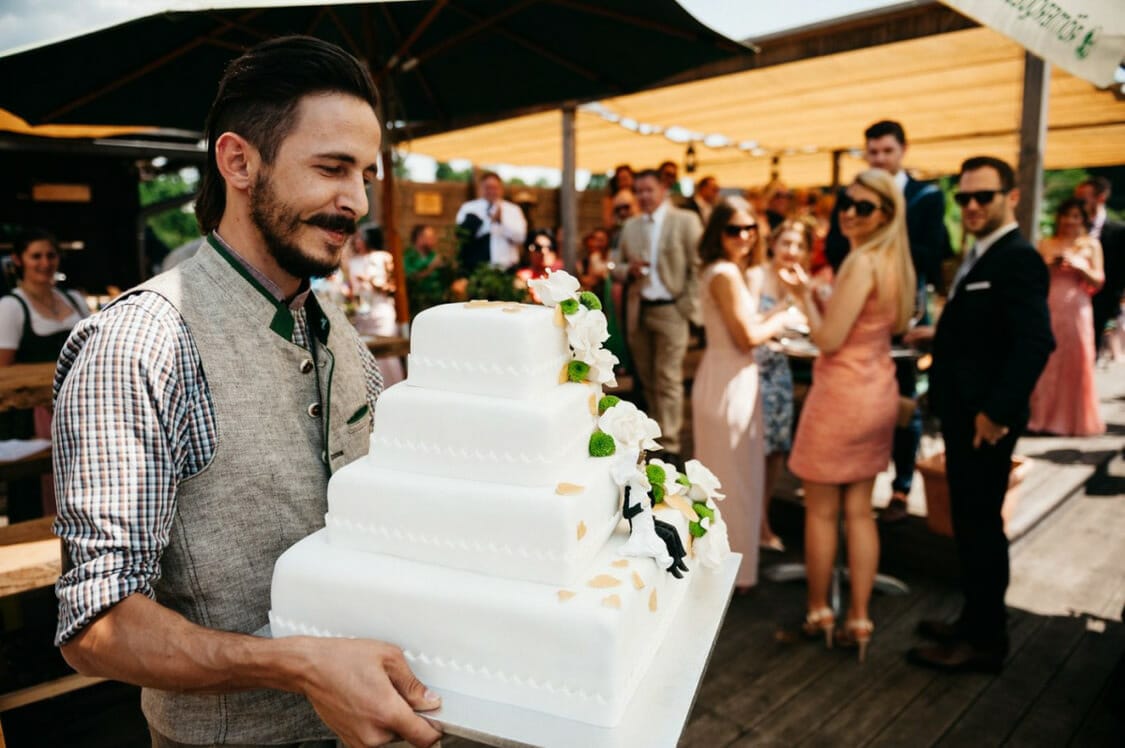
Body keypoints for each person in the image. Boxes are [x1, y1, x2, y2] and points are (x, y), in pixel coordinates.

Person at [51, 36, 442, 747]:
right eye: (330, 168)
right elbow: (97, 624)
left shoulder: (341, 333)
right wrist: (295, 669)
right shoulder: (137, 342)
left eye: (364, 173)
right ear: (237, 161)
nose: (354, 200)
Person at [904, 156, 1054, 674]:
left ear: (1010, 198)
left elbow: (1035, 342)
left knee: (982, 529)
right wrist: (937, 336)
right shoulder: (981, 253)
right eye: (963, 197)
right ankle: (972, 621)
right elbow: (988, 330)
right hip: (964, 413)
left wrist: (996, 411)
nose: (970, 206)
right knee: (970, 525)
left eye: (982, 196)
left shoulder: (1017, 258)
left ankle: (985, 642)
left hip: (985, 423)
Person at [781, 168, 915, 662]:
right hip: (877, 390)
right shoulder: (895, 260)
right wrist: (815, 297)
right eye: (847, 203)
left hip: (841, 396)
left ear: (885, 213)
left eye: (863, 206)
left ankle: (820, 611)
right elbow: (882, 325)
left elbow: (829, 339)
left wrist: (800, 298)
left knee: (821, 510)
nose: (850, 213)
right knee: (860, 510)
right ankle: (860, 617)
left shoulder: (861, 261)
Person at [826, 120, 951, 524]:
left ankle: (901, 485)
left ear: (902, 151)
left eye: (886, 151)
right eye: (873, 151)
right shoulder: (854, 194)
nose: (879, 158)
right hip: (856, 307)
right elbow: (832, 246)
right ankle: (852, 484)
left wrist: (884, 247)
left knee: (904, 401)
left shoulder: (925, 196)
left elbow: (937, 252)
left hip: (904, 307)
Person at [693, 198, 798, 592]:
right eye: (733, 229)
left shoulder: (731, 272)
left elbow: (749, 323)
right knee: (732, 483)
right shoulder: (723, 273)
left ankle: (727, 569)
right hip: (728, 379)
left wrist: (781, 307)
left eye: (750, 228)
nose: (744, 236)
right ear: (717, 233)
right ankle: (731, 576)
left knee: (733, 478)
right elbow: (747, 337)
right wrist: (785, 317)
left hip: (730, 376)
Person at [0, 228, 90, 520]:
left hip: (80, 409)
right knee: (41, 494)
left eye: (50, 255)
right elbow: (4, 370)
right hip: (35, 415)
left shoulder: (74, 299)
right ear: (18, 260)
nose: (44, 262)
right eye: (35, 256)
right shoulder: (11, 307)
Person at [614, 168, 703, 459]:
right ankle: (656, 436)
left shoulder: (685, 221)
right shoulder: (631, 227)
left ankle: (672, 445)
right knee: (648, 378)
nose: (643, 196)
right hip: (640, 310)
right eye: (639, 191)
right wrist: (630, 271)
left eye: (649, 190)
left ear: (663, 189)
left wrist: (686, 306)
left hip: (671, 309)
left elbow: (698, 266)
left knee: (668, 378)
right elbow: (615, 266)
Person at [746, 219, 814, 553]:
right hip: (754, 369)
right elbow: (748, 324)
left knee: (775, 452)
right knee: (754, 451)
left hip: (782, 371)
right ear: (773, 244)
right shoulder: (756, 276)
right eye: (786, 243)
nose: (791, 251)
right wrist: (783, 307)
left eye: (799, 246)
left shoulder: (801, 283)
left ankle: (763, 518)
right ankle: (754, 523)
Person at [1027, 199, 1105, 435]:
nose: (1070, 221)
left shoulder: (1091, 245)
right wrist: (1049, 265)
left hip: (1076, 308)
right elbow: (1032, 277)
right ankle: (1042, 417)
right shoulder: (1046, 244)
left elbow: (1099, 280)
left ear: (1082, 220)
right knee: (1047, 361)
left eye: (1075, 216)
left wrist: (1079, 268)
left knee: (1074, 361)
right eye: (1066, 215)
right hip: (1050, 305)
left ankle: (1070, 420)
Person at [346, 224, 404, 388]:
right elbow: (350, 286)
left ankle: (394, 387)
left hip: (381, 309)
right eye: (357, 238)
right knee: (366, 351)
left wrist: (370, 281)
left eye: (361, 237)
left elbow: (391, 286)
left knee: (387, 353)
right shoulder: (353, 261)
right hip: (362, 311)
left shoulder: (383, 257)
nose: (358, 241)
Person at [1075, 176, 1125, 358]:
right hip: (1072, 303)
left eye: (1083, 198)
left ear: (1100, 198)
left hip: (1103, 305)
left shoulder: (1119, 232)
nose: (1078, 202)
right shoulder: (1072, 227)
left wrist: (1113, 306)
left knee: (1091, 352)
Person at [455, 170, 527, 272]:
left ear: (501, 189)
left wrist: (501, 222)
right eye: (488, 188)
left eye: (494, 188)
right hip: (476, 269)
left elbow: (520, 237)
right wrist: (488, 223)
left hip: (506, 268)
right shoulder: (469, 208)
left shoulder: (513, 210)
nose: (491, 191)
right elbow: (461, 236)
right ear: (481, 189)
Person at [403, 223, 446, 316]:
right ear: (420, 237)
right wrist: (431, 267)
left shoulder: (433, 255)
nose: (434, 240)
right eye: (430, 237)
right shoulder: (409, 257)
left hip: (436, 303)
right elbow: (411, 278)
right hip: (417, 305)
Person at [601, 164, 635, 229]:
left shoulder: (638, 197)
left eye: (626, 178)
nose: (624, 182)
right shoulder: (609, 200)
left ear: (632, 179)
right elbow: (607, 223)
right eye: (620, 179)